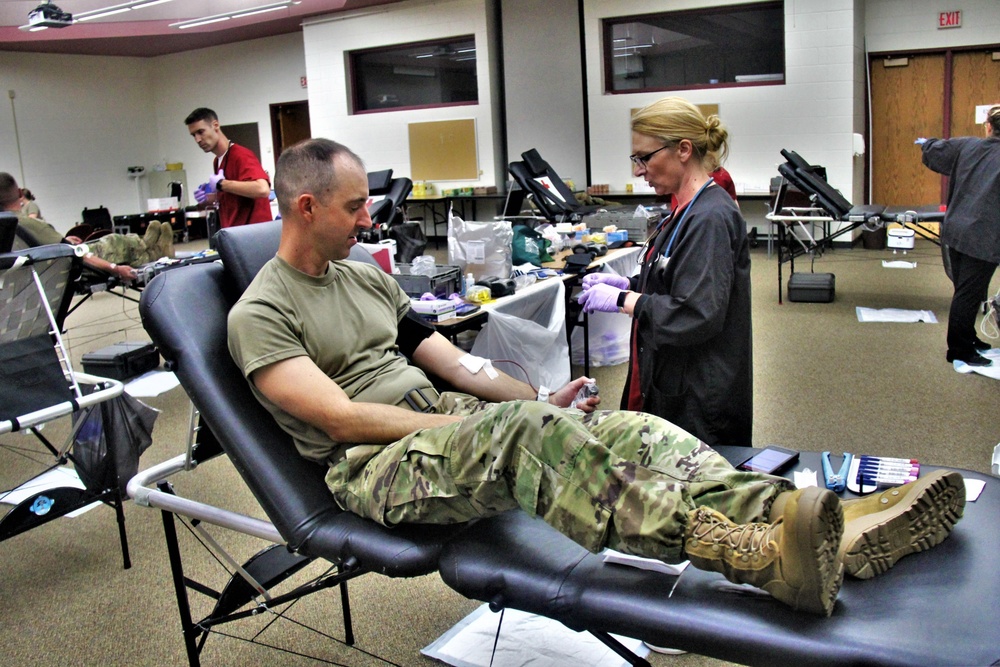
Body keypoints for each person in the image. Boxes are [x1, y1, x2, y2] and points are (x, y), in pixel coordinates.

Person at [227, 138, 965, 618]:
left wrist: (544, 401)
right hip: (372, 468)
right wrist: (479, 424)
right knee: (521, 433)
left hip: (448, 427)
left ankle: (808, 513)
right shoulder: (259, 313)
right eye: (355, 208)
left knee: (624, 427)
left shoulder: (365, 280)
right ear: (306, 206)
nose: (367, 219)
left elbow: (453, 362)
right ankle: (752, 553)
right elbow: (340, 421)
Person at [576, 97, 751, 448]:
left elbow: (696, 313)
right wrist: (630, 282)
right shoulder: (684, 210)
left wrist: (625, 299)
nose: (638, 170)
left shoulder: (710, 218)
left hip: (700, 401)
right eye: (636, 159)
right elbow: (675, 276)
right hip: (672, 380)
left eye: (644, 158)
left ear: (683, 150)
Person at [918, 105, 1000, 367]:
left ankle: (969, 338)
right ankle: (959, 350)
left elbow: (934, 151)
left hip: (956, 230)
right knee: (968, 292)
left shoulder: (968, 145)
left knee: (966, 290)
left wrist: (926, 143)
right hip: (983, 236)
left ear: (988, 126)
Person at [1, 172, 173, 281]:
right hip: (71, 266)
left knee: (110, 243)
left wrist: (64, 242)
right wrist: (115, 269)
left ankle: (149, 245)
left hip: (48, 265)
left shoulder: (5, 226)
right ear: (19, 193)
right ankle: (154, 249)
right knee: (114, 241)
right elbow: (75, 253)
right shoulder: (27, 223)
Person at [184, 107, 272, 228]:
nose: (197, 139)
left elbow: (262, 189)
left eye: (201, 132)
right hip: (234, 233)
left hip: (254, 235)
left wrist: (221, 184)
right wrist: (208, 199)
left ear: (215, 125)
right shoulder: (217, 161)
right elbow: (233, 197)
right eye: (193, 135)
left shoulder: (240, 155)